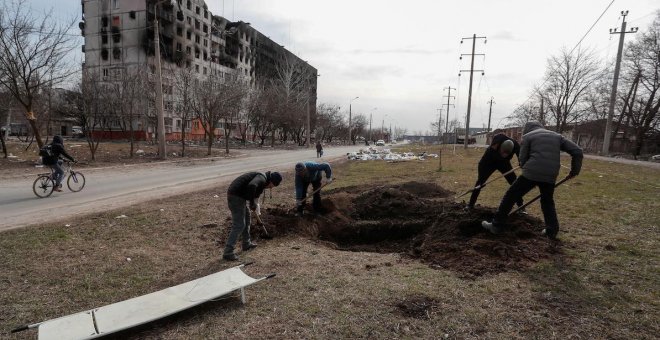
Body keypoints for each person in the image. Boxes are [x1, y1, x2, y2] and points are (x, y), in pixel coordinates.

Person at [482, 121, 583, 239]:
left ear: (527, 130)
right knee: (547, 202)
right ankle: (552, 231)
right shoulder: (557, 137)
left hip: (532, 172)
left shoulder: (528, 136)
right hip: (551, 174)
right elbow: (577, 151)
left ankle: (496, 226)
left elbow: (522, 158)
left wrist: (525, 167)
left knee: (511, 195)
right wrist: (574, 171)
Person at [223, 171, 283, 261]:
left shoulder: (262, 183)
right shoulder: (262, 178)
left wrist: (254, 206)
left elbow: (255, 200)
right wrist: (251, 202)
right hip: (235, 196)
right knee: (239, 225)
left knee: (247, 220)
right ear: (271, 181)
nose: (269, 187)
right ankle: (228, 252)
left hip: (240, 198)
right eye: (271, 186)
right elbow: (252, 185)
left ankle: (246, 244)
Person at [467, 134, 524, 211]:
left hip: (504, 163)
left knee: (514, 182)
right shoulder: (497, 140)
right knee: (480, 183)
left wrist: (521, 162)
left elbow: (521, 156)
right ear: (499, 147)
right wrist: (482, 176)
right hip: (489, 161)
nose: (504, 155)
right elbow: (483, 164)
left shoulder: (515, 146)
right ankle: (470, 205)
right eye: (503, 152)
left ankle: (521, 207)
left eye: (506, 154)